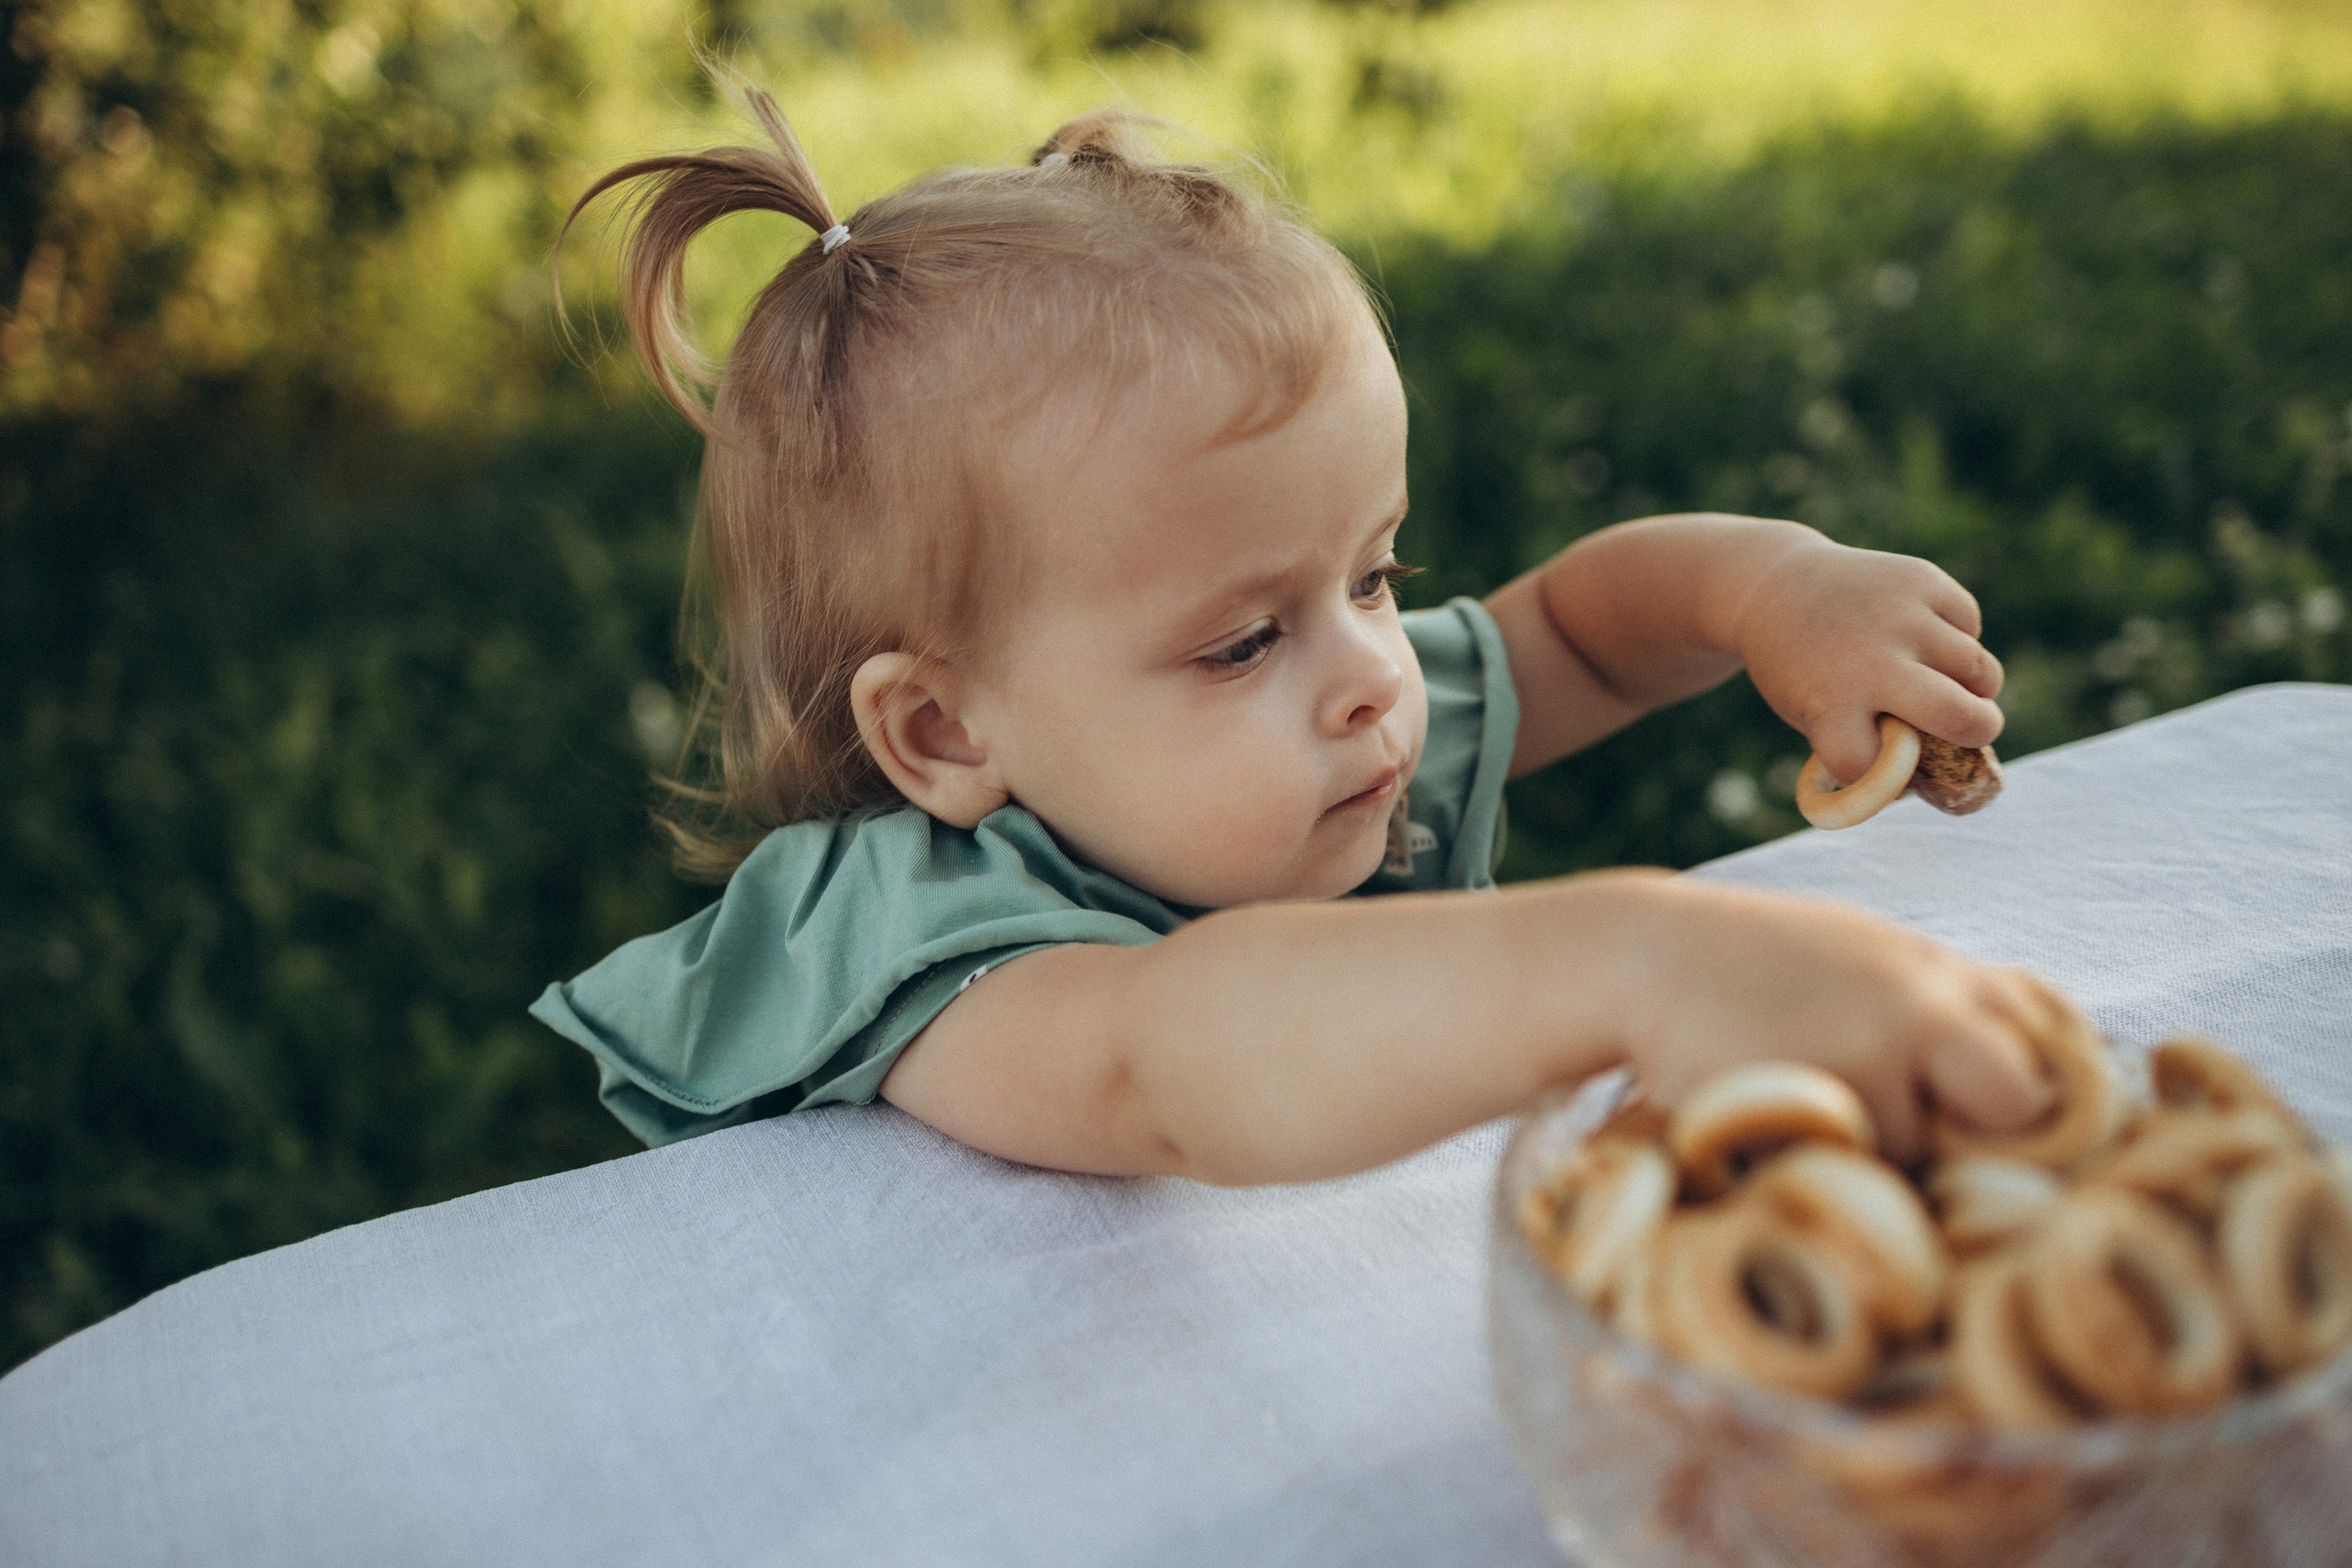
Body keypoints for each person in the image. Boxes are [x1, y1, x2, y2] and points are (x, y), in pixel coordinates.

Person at [532, 83, 2062, 1185]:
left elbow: (1584, 634)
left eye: (1378, 573)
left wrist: (1774, 590)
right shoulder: (937, 947)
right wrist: (1638, 958)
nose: (1373, 677)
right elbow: (1179, 1067)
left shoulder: (1325, 743)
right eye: (1240, 645)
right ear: (943, 733)